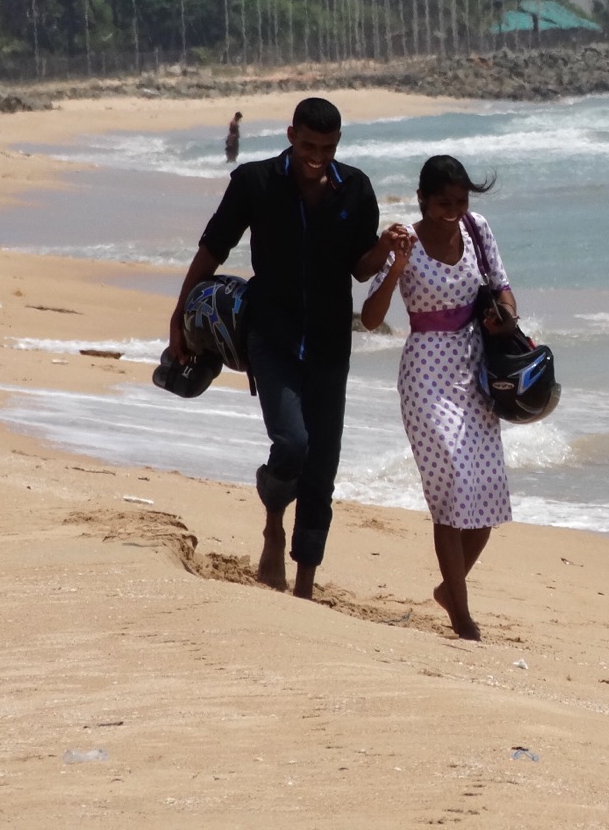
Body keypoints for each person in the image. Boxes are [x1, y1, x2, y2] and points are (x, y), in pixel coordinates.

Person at [169, 97, 408, 599]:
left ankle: (304, 585)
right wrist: (178, 317)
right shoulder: (255, 183)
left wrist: (386, 247)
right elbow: (212, 249)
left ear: (338, 142)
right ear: (290, 135)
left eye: (326, 147)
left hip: (328, 343)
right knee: (293, 444)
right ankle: (273, 521)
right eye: (307, 146)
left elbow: (360, 268)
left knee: (322, 467)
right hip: (270, 335)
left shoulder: (356, 188)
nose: (316, 157)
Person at [360, 155, 515, 641]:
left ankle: (451, 587)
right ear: (422, 198)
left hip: (476, 366)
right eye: (443, 202)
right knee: (450, 481)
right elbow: (369, 317)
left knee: (485, 496)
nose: (452, 211)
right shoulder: (403, 241)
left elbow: (504, 290)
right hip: (426, 369)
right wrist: (396, 266)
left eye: (460, 201)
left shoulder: (477, 228)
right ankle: (461, 614)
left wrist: (503, 319)